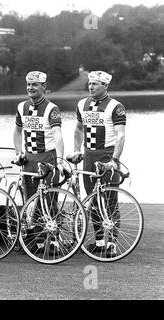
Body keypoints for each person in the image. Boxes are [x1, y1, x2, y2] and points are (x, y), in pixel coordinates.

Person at [72, 70, 126, 258]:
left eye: (96, 84)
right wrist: (77, 150)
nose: (91, 87)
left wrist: (114, 160)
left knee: (110, 200)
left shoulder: (115, 106)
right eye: (90, 83)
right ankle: (99, 240)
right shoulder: (82, 104)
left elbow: (120, 136)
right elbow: (78, 129)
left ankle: (111, 243)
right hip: (89, 156)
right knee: (93, 200)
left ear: (105, 86)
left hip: (107, 155)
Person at [13, 71, 65, 253]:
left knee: (49, 201)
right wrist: (19, 152)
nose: (30, 88)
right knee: (30, 202)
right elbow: (17, 132)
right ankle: (36, 240)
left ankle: (54, 240)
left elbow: (58, 134)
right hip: (29, 159)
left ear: (44, 87)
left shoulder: (52, 109)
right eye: (28, 84)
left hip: (47, 157)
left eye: (34, 85)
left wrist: (59, 160)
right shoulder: (22, 106)